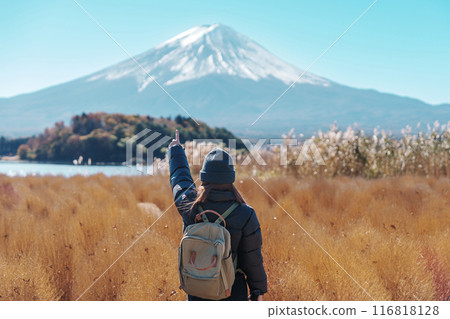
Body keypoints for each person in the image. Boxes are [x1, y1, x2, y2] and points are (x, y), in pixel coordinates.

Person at [168, 129, 267, 301]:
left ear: (204, 177)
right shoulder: (245, 213)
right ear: (230, 177)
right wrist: (257, 291)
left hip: (197, 288)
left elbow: (180, 179)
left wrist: (176, 151)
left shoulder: (190, 205)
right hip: (232, 292)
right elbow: (252, 258)